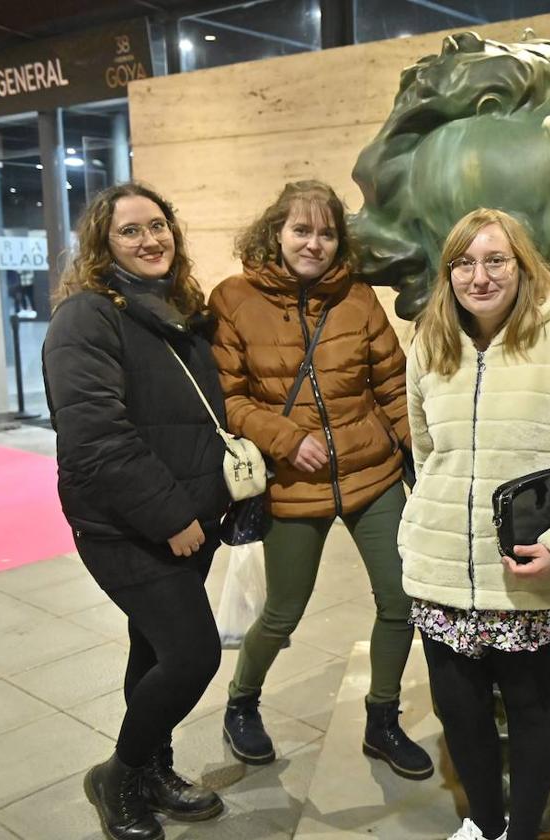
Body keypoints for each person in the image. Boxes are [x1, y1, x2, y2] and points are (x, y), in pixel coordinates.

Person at [400, 207, 550, 840]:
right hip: (443, 570)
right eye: (465, 263)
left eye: (496, 260)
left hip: (526, 571)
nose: (480, 276)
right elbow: (427, 455)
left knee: (531, 710)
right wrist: (427, 523)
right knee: (459, 710)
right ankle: (482, 822)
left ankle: (522, 832)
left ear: (522, 265)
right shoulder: (429, 343)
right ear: (449, 273)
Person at [208, 180, 432, 780]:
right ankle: (242, 702)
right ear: (275, 232)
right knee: (283, 611)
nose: (314, 243)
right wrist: (285, 440)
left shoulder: (359, 299)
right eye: (301, 230)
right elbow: (225, 399)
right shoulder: (233, 299)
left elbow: (391, 388)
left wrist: (427, 458)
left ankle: (382, 720)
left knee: (401, 601)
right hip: (289, 483)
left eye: (327, 232)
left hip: (372, 474)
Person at [43, 183, 230, 840]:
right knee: (193, 654)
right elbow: (96, 438)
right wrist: (172, 517)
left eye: (158, 225)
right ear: (102, 245)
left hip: (187, 521)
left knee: (152, 650)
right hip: (127, 527)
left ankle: (155, 766)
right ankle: (118, 774)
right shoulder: (86, 318)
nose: (151, 239)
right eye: (130, 231)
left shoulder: (176, 311)